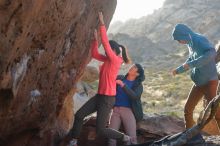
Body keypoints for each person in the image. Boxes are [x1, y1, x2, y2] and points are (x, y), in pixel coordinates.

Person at [60, 12, 131, 146]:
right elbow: (94, 54)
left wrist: (102, 24)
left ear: (114, 50)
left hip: (107, 99)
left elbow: (105, 44)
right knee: (80, 115)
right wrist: (94, 40)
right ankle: (74, 141)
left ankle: (125, 138)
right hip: (99, 96)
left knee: (101, 130)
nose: (106, 52)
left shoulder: (116, 60)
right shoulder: (107, 59)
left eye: (109, 50)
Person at [171, 23, 220, 129]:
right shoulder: (189, 43)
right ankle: (189, 136)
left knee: (216, 112)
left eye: (179, 39)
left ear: (184, 35)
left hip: (210, 82)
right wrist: (178, 70)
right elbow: (190, 60)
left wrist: (192, 64)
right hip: (198, 83)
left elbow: (211, 53)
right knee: (188, 109)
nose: (179, 42)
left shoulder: (199, 39)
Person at [108, 63, 145, 146]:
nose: (132, 67)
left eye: (135, 67)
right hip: (115, 110)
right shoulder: (120, 78)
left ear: (137, 74)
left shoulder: (138, 85)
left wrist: (122, 85)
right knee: (111, 137)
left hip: (127, 110)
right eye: (133, 65)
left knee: (132, 139)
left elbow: (135, 97)